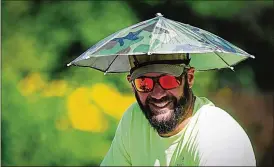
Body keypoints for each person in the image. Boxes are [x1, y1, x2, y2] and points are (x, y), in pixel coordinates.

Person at [100, 53, 256, 166]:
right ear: (132, 84)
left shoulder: (219, 137)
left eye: (168, 80)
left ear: (189, 78)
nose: (157, 94)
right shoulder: (133, 119)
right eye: (144, 83)